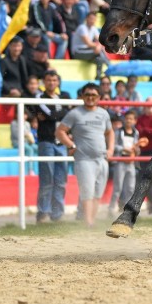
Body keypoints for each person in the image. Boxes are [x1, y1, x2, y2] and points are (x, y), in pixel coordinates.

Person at [56, 83, 114, 227]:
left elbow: (110, 132)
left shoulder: (103, 113)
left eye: (93, 95)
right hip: (84, 160)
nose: (90, 97)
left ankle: (91, 221)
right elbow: (60, 131)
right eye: (87, 94)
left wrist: (111, 149)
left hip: (102, 159)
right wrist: (71, 145)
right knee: (87, 192)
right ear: (82, 96)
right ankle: (88, 222)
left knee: (98, 193)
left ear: (99, 97)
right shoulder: (75, 113)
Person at [33, 69, 71, 223]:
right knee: (47, 179)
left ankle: (57, 214)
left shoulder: (64, 96)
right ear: (44, 82)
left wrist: (54, 115)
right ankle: (43, 213)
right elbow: (53, 114)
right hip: (46, 142)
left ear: (58, 82)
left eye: (54, 80)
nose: (51, 83)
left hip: (61, 143)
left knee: (61, 180)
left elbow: (64, 116)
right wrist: (60, 114)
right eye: (49, 80)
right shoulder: (39, 97)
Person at [108, 110, 139, 216]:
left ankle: (127, 209)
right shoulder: (118, 132)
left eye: (131, 119)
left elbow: (136, 146)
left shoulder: (136, 133)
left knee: (130, 187)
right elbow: (113, 145)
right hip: (120, 161)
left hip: (131, 162)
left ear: (135, 121)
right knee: (117, 188)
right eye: (127, 118)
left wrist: (136, 150)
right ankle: (111, 209)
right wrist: (124, 149)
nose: (128, 121)